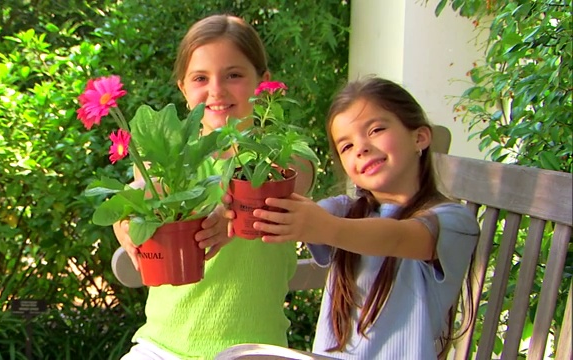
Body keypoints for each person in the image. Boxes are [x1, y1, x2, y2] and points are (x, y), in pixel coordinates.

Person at [114, 14, 315, 360]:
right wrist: (124, 220)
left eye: (234, 75)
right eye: (200, 78)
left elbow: (293, 175)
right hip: (161, 347)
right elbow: (139, 189)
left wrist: (234, 211)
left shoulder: (283, 149)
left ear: (262, 82)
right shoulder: (168, 156)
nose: (217, 90)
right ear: (183, 89)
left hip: (254, 349)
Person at [250, 77, 480, 359]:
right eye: (346, 147)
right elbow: (295, 214)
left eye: (376, 129)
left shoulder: (453, 222)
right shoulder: (344, 210)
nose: (361, 148)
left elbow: (397, 237)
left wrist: (327, 228)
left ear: (419, 137)